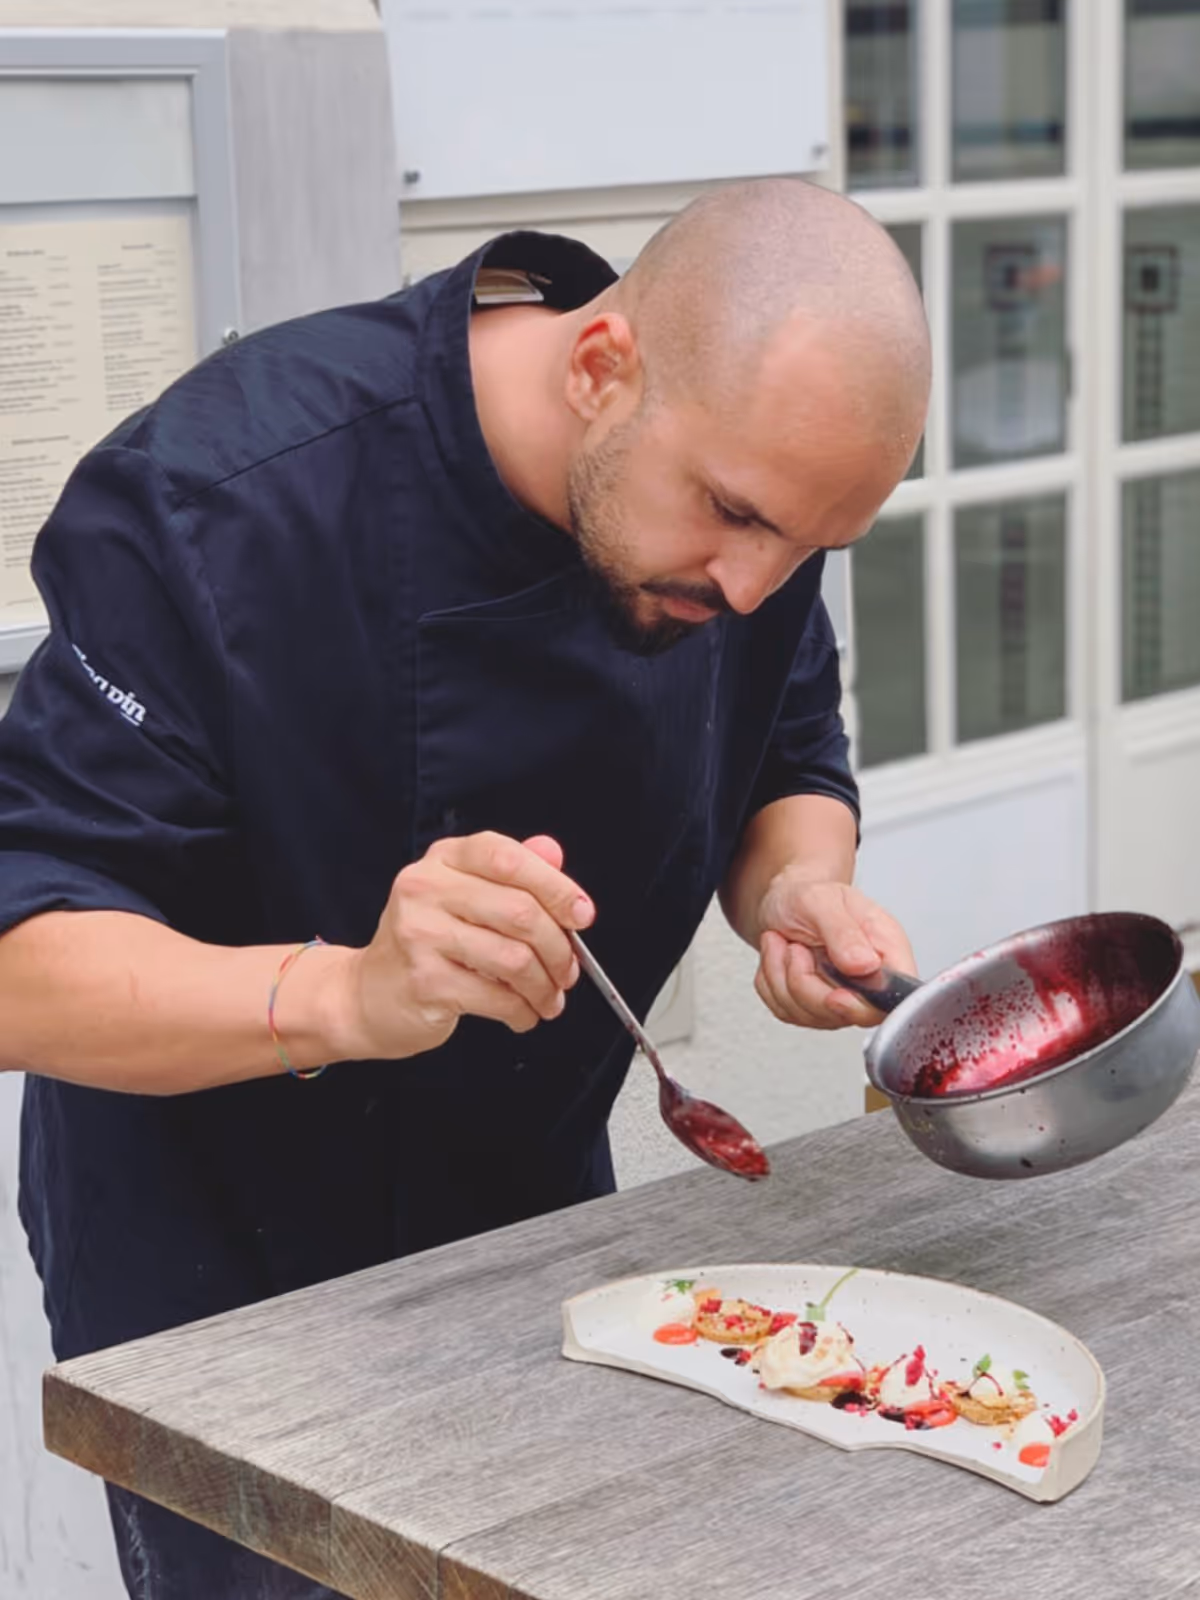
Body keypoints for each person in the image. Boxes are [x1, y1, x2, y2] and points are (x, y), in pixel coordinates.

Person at [0, 176, 928, 1598]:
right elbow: (21, 953)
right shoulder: (223, 496)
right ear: (603, 367)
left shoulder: (755, 499)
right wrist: (347, 992)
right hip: (216, 1251)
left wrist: (798, 885)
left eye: (807, 549)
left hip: (534, 1191)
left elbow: (787, 746)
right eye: (735, 520)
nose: (755, 585)